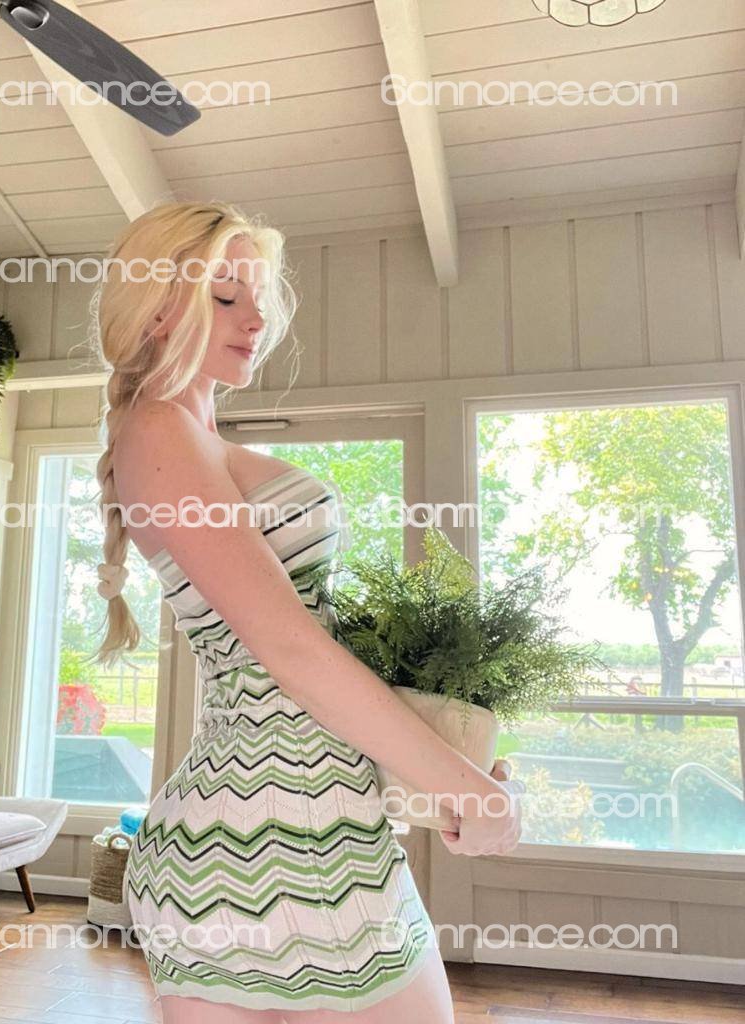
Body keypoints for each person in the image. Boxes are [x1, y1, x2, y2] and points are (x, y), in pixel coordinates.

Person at [91, 200, 522, 1024]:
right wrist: (468, 790)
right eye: (225, 295)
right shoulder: (157, 430)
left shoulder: (192, 437)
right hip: (259, 843)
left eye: (257, 298)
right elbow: (290, 653)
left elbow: (308, 649)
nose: (255, 319)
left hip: (310, 823)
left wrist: (451, 764)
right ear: (155, 308)